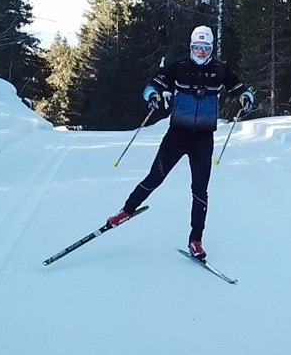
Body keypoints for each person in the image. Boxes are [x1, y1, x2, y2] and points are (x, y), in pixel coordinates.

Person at [107, 26, 254, 260]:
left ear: (211, 48)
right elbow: (151, 86)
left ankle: (196, 240)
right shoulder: (179, 67)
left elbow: (239, 88)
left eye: (205, 48)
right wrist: (153, 96)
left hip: (203, 139)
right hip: (177, 135)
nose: (201, 52)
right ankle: (125, 211)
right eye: (197, 47)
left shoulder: (219, 70)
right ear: (191, 46)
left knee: (200, 190)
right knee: (154, 178)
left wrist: (246, 98)